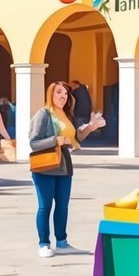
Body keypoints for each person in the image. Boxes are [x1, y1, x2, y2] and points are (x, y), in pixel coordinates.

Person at [28, 81, 106, 258]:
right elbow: (33, 142)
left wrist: (91, 127)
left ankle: (62, 243)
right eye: (59, 93)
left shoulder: (67, 114)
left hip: (64, 167)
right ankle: (44, 244)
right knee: (45, 206)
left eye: (65, 94)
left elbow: (77, 137)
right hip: (45, 167)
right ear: (50, 94)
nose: (63, 97)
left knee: (62, 206)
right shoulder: (43, 114)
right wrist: (56, 140)